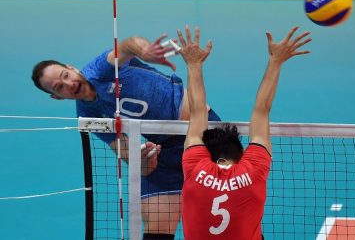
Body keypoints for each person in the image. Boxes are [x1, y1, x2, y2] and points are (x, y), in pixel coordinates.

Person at [31, 33, 221, 240]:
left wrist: (144, 50)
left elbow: (128, 46)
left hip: (205, 134)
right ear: (56, 97)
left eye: (65, 76)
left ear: (71, 68)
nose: (68, 84)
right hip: (164, 151)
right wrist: (144, 162)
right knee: (156, 228)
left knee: (233, 215)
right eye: (59, 87)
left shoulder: (100, 69)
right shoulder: (87, 115)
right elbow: (126, 153)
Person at [179, 26, 311, 239]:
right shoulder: (252, 171)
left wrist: (194, 65)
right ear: (240, 155)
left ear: (209, 154)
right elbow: (262, 109)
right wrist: (275, 61)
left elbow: (196, 112)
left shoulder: (195, 168)